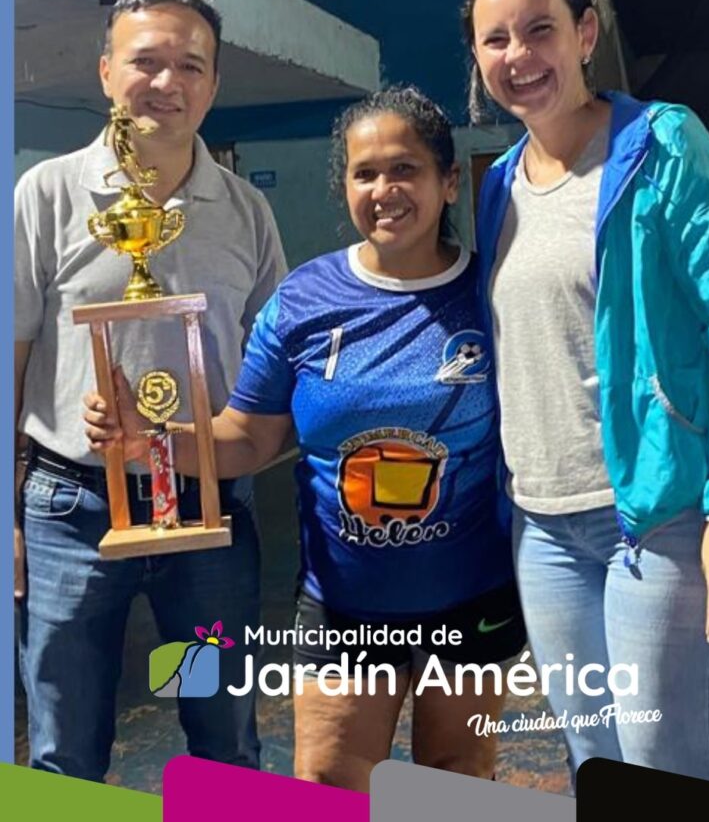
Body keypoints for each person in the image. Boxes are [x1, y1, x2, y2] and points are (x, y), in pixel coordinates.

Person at [85, 85, 526, 792]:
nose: (384, 189)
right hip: (344, 603)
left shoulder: (493, 295)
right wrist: (153, 438)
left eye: (405, 169)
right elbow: (247, 440)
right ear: (344, 186)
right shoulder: (303, 300)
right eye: (364, 173)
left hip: (471, 598)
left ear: (447, 181)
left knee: (458, 777)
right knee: (328, 780)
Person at [461, 0, 709, 785]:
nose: (518, 57)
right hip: (543, 529)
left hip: (659, 518)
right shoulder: (498, 183)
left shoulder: (662, 145)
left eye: (539, 30)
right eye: (495, 40)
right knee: (597, 765)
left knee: (665, 768)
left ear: (583, 32)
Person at [15, 0, 288, 781]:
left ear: (213, 85)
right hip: (71, 516)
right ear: (105, 72)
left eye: (190, 66)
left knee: (223, 744)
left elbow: (273, 370)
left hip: (207, 527)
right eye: (146, 62)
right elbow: (14, 357)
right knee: (66, 753)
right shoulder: (49, 194)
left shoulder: (244, 212)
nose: (167, 83)